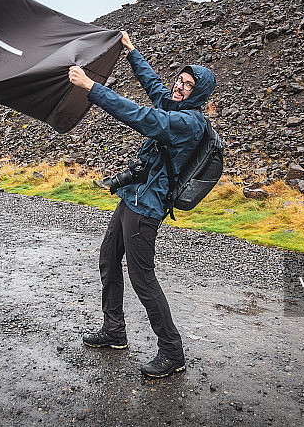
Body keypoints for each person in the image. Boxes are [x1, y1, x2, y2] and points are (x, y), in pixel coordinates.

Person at [68, 31, 216, 378]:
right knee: (108, 258)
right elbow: (153, 86)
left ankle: (172, 351)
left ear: (200, 94)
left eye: (188, 85)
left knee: (143, 278)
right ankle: (114, 331)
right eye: (180, 81)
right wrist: (133, 53)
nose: (179, 87)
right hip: (132, 197)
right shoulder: (174, 105)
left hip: (146, 208)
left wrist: (91, 87)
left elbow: (141, 116)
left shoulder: (187, 122)